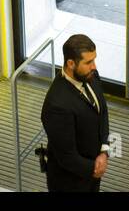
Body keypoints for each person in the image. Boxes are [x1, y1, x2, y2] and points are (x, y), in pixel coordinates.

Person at [39, 33, 110, 192]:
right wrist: (96, 168)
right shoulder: (57, 105)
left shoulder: (90, 76)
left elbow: (102, 112)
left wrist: (104, 151)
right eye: (89, 62)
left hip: (92, 173)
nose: (95, 66)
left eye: (94, 59)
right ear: (71, 63)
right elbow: (67, 157)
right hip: (70, 183)